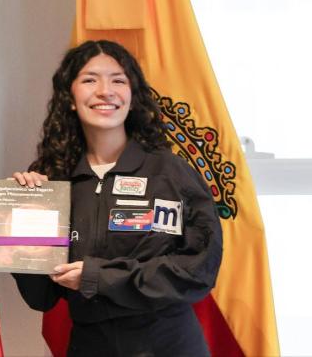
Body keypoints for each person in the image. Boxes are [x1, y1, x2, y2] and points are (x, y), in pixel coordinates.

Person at [13, 40, 223, 357]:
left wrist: (100, 277)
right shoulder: (52, 179)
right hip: (89, 346)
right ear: (70, 98)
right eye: (89, 80)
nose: (105, 91)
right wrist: (23, 213)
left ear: (132, 97)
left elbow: (198, 270)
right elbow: (41, 297)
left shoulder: (169, 174)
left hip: (167, 346)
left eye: (118, 80)